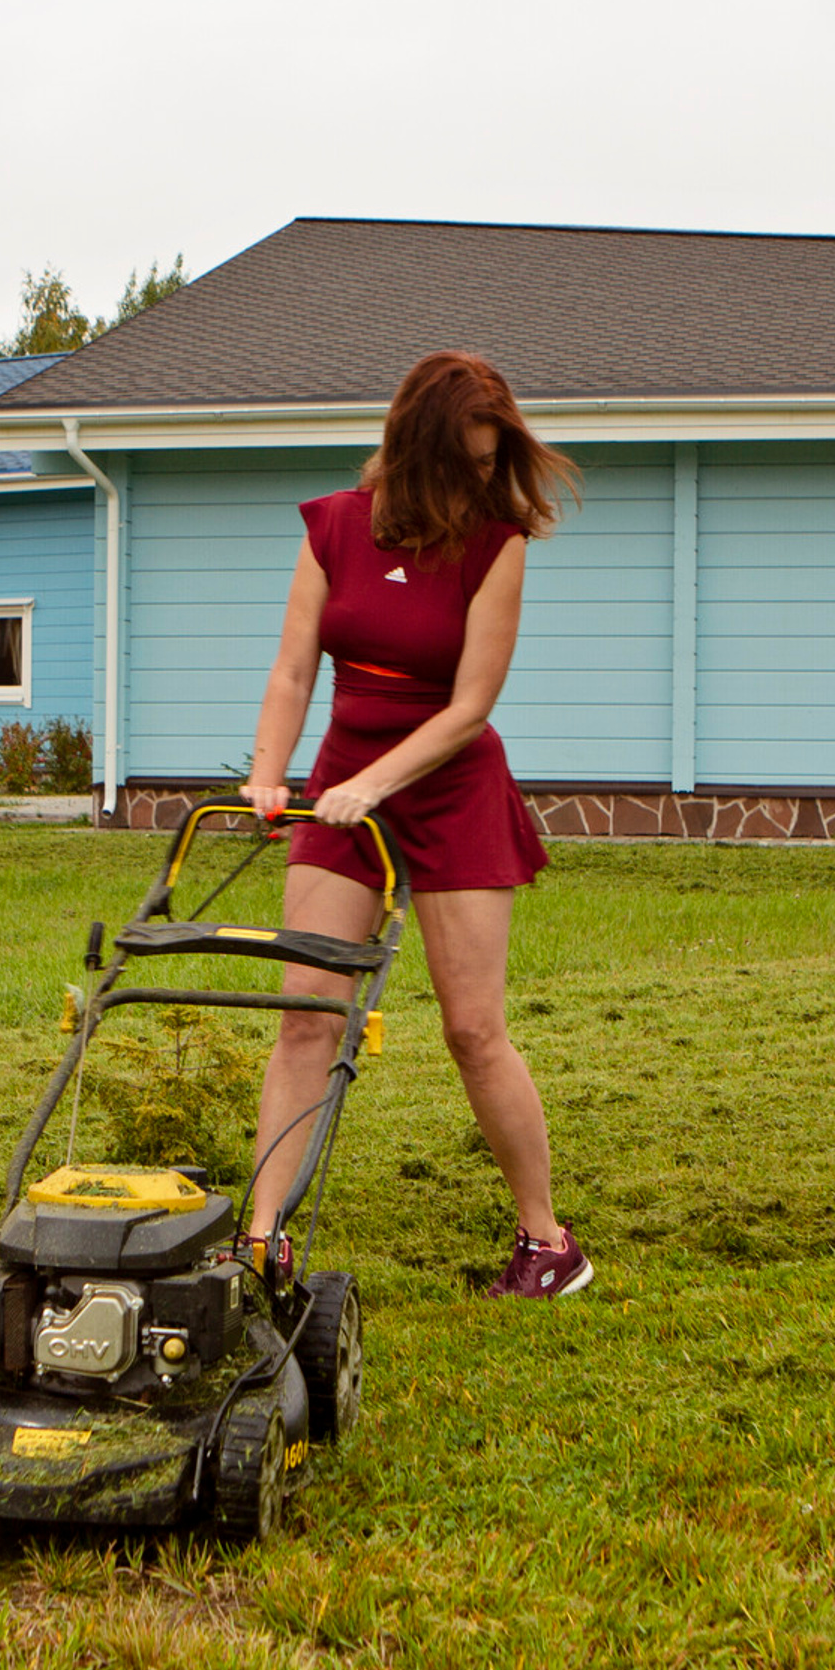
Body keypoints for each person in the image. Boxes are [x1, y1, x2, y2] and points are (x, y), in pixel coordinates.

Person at [237, 350, 591, 1301]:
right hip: (344, 785)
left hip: (449, 787)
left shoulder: (497, 544)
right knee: (307, 1011)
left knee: (474, 1029)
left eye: (491, 464)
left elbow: (469, 708)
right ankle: (260, 1239)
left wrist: (378, 784)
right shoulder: (333, 529)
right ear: (415, 449)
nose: (480, 481)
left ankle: (548, 1242)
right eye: (465, 464)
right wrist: (270, 775)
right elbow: (292, 671)